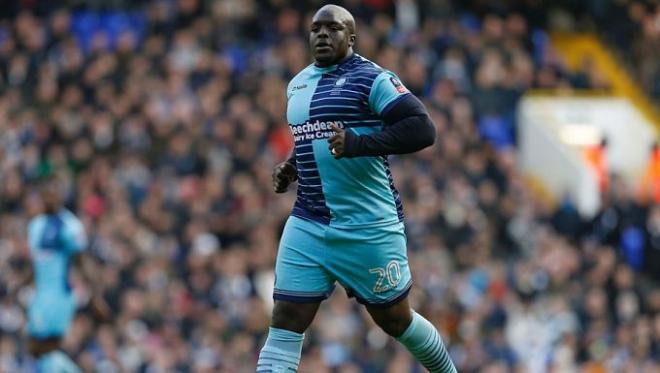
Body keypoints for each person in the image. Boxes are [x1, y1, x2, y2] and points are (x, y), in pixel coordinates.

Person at [258, 5, 457, 372]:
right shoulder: (298, 84)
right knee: (286, 316)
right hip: (309, 221)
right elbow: (312, 136)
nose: (321, 34)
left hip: (366, 226)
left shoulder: (373, 79)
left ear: (351, 38)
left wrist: (359, 144)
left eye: (332, 28)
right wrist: (291, 167)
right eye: (315, 28)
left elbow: (422, 129)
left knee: (394, 320)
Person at [24, 176, 109, 372]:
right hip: (41, 294)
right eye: (46, 193)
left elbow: (81, 262)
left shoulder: (70, 225)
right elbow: (37, 262)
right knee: (35, 347)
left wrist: (95, 296)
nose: (50, 197)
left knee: (43, 345)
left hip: (59, 295)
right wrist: (20, 284)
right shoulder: (35, 225)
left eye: (55, 192)